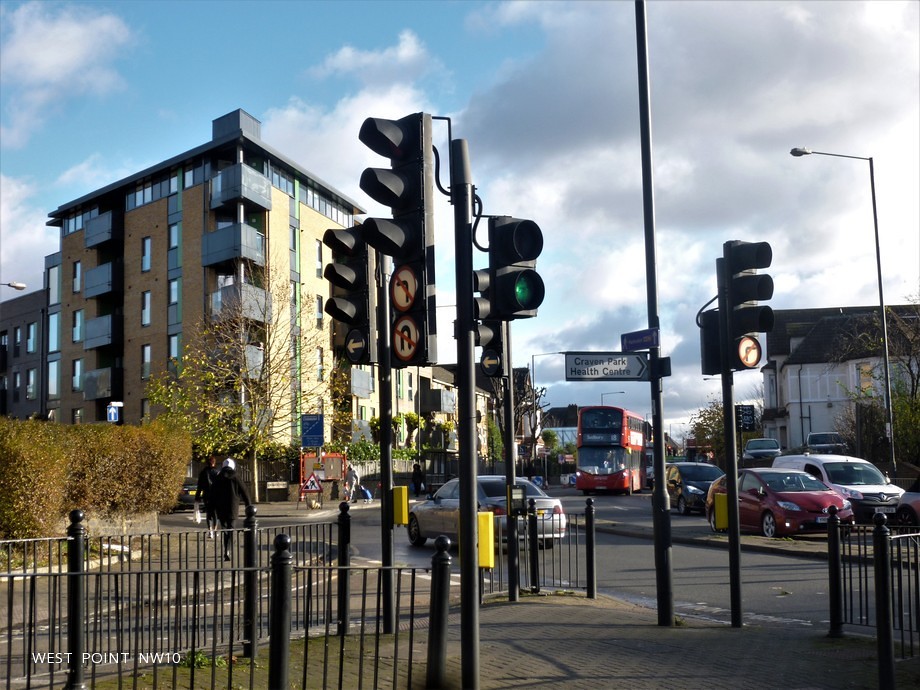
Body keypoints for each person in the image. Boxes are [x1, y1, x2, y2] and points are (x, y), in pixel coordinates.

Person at [210, 458, 252, 561]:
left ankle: (226, 550)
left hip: (221, 508)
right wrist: (248, 505)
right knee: (231, 529)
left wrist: (211, 508)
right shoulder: (236, 476)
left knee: (225, 529)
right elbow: (244, 491)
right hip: (233, 507)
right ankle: (229, 550)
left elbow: (213, 493)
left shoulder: (218, 477)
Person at [195, 455, 221, 539]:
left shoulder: (203, 472)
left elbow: (199, 486)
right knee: (215, 514)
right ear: (214, 463)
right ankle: (215, 530)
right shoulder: (217, 472)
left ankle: (210, 531)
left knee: (208, 514)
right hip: (216, 495)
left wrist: (197, 497)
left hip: (206, 496)